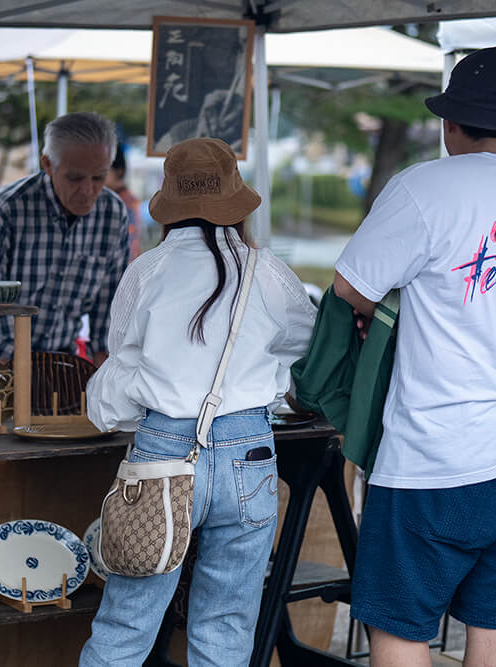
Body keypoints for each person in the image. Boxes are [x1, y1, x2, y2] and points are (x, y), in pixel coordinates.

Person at [333, 47, 496, 667]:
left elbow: (350, 288)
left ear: (450, 124)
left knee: (399, 624)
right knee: (494, 620)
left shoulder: (425, 186)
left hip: (442, 455)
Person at [79, 137, 316, 666]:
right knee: (227, 626)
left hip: (162, 451)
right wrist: (264, 373)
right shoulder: (269, 272)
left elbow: (115, 382)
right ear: (236, 202)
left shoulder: (148, 272)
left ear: (171, 202)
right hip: (249, 454)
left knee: (126, 624)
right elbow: (306, 345)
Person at [0, 111, 130, 365]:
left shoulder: (112, 214)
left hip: (60, 359)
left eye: (98, 177)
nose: (87, 190)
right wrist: (16, 371)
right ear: (48, 164)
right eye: (75, 178)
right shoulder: (7, 209)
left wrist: (103, 379)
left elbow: (109, 308)